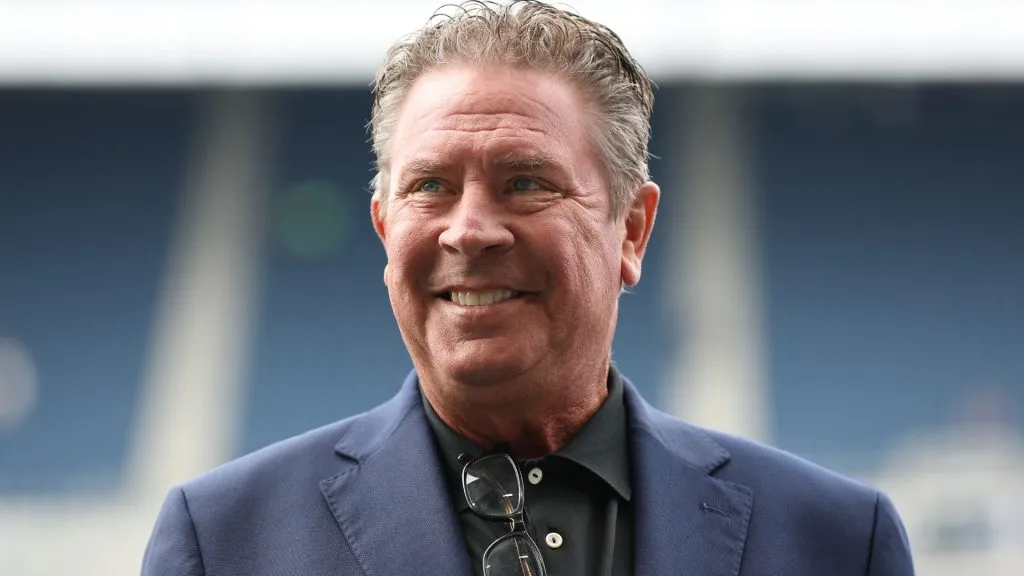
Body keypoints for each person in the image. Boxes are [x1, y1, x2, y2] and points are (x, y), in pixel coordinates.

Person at [141, 1, 915, 575]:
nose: (469, 230)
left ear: (632, 231)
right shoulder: (224, 540)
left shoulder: (836, 542)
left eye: (524, 182)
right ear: (385, 230)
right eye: (431, 186)